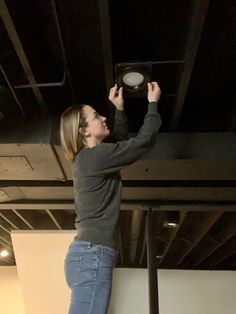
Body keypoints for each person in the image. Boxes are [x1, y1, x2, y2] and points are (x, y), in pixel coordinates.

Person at [60, 81, 162, 314]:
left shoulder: (92, 158)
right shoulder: (92, 158)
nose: (102, 118)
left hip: (89, 255)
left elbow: (118, 142)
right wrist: (153, 104)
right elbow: (143, 142)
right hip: (92, 255)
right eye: (96, 116)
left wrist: (119, 109)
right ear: (83, 130)